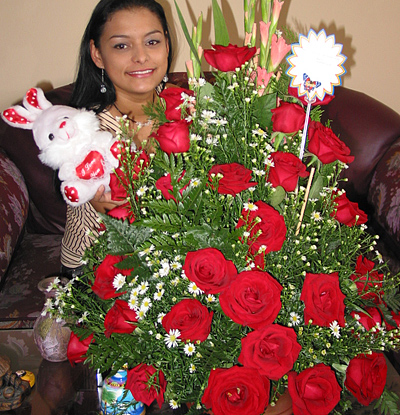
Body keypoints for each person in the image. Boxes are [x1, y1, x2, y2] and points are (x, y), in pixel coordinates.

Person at [60, 0, 174, 278]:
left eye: (152, 42)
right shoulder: (81, 131)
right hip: (97, 270)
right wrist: (99, 208)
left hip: (172, 264)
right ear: (97, 54)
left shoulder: (187, 107)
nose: (141, 57)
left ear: (167, 46)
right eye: (122, 45)